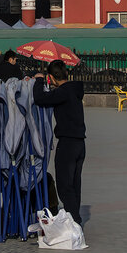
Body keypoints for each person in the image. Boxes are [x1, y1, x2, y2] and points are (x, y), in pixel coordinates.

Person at [33, 60, 86, 225]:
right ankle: (76, 220)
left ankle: (74, 222)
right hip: (80, 144)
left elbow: (40, 98)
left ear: (51, 77)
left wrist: (39, 80)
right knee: (74, 184)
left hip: (68, 144)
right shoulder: (74, 90)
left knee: (64, 186)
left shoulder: (63, 92)